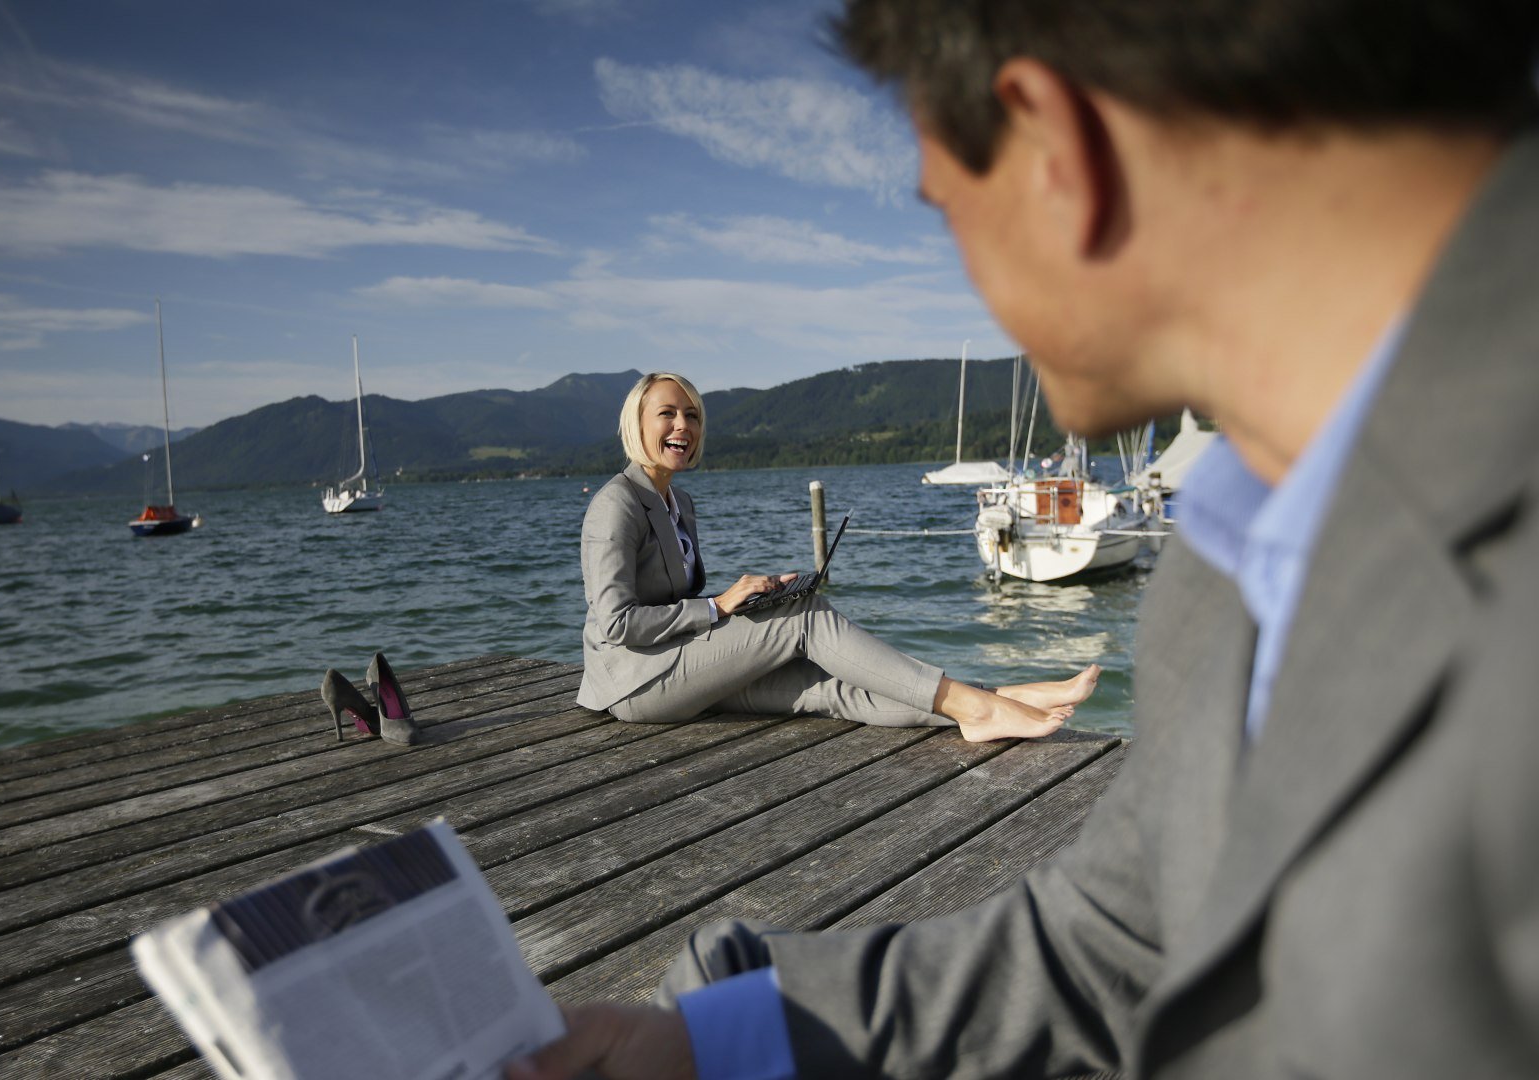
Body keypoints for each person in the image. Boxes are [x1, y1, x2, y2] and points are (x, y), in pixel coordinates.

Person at [511, 0, 1539, 1077]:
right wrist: (708, 1043)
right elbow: (1118, 945)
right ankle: (969, 707)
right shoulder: (1219, 561)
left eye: (947, 208)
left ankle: (968, 707)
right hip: (640, 683)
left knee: (809, 652)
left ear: (1057, 155)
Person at [578, 370, 1098, 742]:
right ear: (636, 423)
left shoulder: (678, 502)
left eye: (690, 415)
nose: (682, 427)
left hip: (680, 665)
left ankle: (1001, 700)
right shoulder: (616, 504)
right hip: (635, 685)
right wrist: (718, 607)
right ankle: (979, 707)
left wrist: (750, 601)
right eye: (666, 413)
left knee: (826, 688)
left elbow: (676, 602)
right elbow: (618, 624)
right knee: (803, 619)